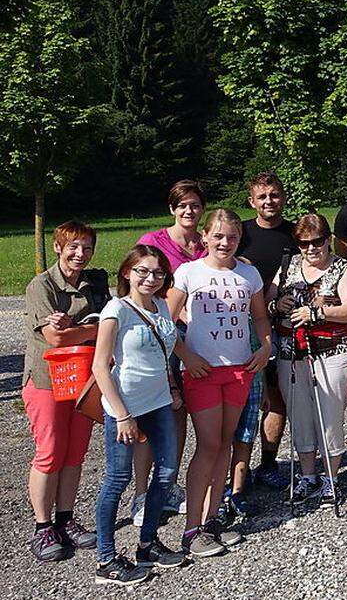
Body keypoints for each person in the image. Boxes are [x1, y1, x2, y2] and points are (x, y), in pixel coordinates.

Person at [169, 209, 271, 557]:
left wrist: (266, 346)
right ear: (206, 237)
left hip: (239, 370)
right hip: (203, 373)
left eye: (231, 237)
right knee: (208, 446)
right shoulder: (189, 272)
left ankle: (213, 519)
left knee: (226, 444)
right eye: (218, 236)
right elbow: (165, 323)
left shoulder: (249, 274)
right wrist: (186, 356)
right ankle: (191, 529)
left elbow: (259, 316)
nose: (225, 243)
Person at [91, 245, 187, 585]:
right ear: (127, 272)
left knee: (166, 472)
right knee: (117, 479)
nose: (150, 278)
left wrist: (173, 386)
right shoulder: (115, 310)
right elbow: (101, 367)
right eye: (143, 271)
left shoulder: (162, 306)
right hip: (125, 406)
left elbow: (166, 353)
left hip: (159, 401)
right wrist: (121, 415)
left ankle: (147, 544)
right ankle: (105, 558)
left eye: (158, 273)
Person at [23, 221, 109, 562]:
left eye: (87, 247)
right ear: (58, 247)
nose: (80, 253)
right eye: (73, 246)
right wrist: (91, 329)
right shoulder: (41, 286)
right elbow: (55, 339)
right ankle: (42, 527)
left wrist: (80, 329)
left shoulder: (94, 284)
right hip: (47, 380)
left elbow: (110, 326)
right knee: (50, 452)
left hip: (83, 380)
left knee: (75, 453)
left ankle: (65, 518)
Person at [271, 214, 347, 508]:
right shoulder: (289, 265)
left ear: (328, 239)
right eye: (304, 243)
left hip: (330, 349)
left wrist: (318, 313)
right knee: (299, 414)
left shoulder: (342, 268)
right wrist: (276, 304)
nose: (311, 249)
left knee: (330, 413)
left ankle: (332, 478)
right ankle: (308, 475)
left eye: (317, 242)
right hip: (290, 351)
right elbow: (268, 299)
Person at [130, 181, 205, 527]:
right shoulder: (154, 242)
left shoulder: (206, 242)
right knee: (157, 412)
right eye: (182, 205)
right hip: (163, 338)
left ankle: (171, 485)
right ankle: (142, 494)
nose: (189, 211)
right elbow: (139, 286)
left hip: (201, 338)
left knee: (185, 412)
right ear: (172, 208)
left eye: (194, 205)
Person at [228, 172, 298, 516]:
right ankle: (235, 474)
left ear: (283, 197)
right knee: (241, 403)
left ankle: (267, 463)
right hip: (242, 330)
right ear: (251, 201)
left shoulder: (295, 234)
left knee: (277, 400)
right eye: (262, 197)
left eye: (274, 195)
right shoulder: (239, 234)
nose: (269, 201)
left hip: (284, 328)